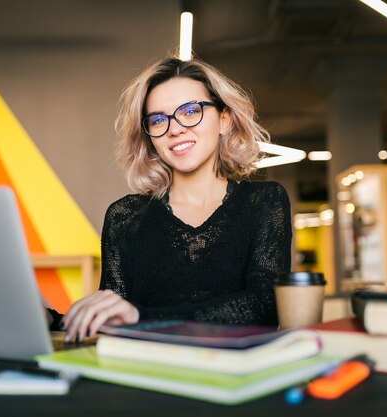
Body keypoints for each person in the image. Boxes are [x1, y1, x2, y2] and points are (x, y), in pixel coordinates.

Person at [62, 56, 292, 342]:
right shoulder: (125, 216)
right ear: (150, 137)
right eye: (158, 119)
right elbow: (114, 316)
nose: (174, 128)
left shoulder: (264, 202)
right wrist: (52, 319)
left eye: (189, 111)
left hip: (234, 378)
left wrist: (143, 319)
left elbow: (264, 306)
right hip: (150, 375)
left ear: (224, 119)